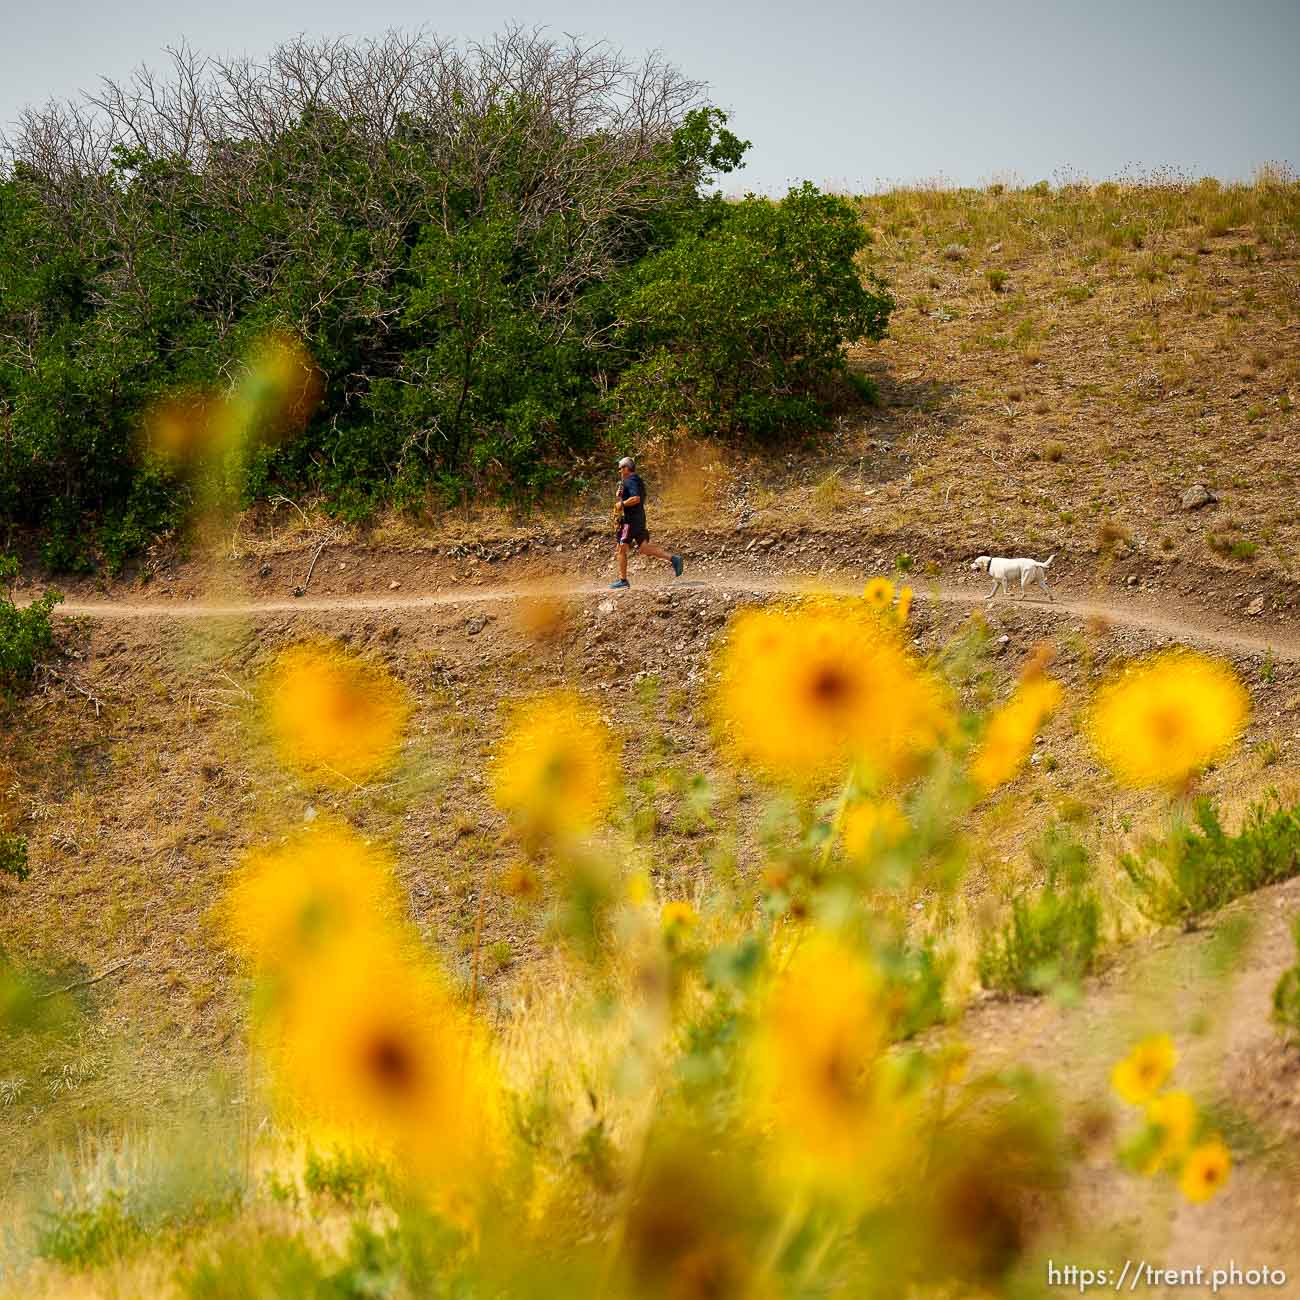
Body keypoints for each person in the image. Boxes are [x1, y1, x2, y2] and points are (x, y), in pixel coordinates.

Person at [609, 456, 683, 590]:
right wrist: (621, 495)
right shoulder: (637, 480)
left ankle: (623, 580)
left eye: (620, 468)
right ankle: (674, 559)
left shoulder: (630, 481)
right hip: (639, 518)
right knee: (644, 548)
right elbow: (635, 497)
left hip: (629, 521)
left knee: (621, 548)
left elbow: (636, 498)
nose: (619, 471)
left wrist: (621, 504)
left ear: (626, 468)